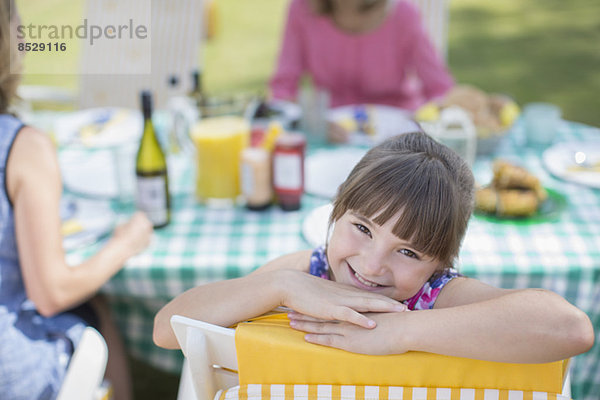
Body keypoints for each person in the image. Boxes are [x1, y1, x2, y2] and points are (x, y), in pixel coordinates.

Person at [154, 131, 593, 364]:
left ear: (440, 264)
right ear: (334, 211)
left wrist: (398, 333)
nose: (372, 264)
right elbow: (167, 330)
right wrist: (281, 285)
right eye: (362, 228)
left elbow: (570, 329)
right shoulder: (305, 273)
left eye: (409, 252)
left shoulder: (436, 297)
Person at [0, 1, 153, 399]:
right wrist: (126, 243)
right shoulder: (22, 146)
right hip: (11, 371)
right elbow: (53, 293)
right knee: (92, 304)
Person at [269, 0, 454, 142]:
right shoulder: (303, 9)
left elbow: (440, 89)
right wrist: (310, 120)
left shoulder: (404, 14)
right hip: (331, 136)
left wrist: (428, 118)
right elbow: (282, 89)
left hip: (398, 138)